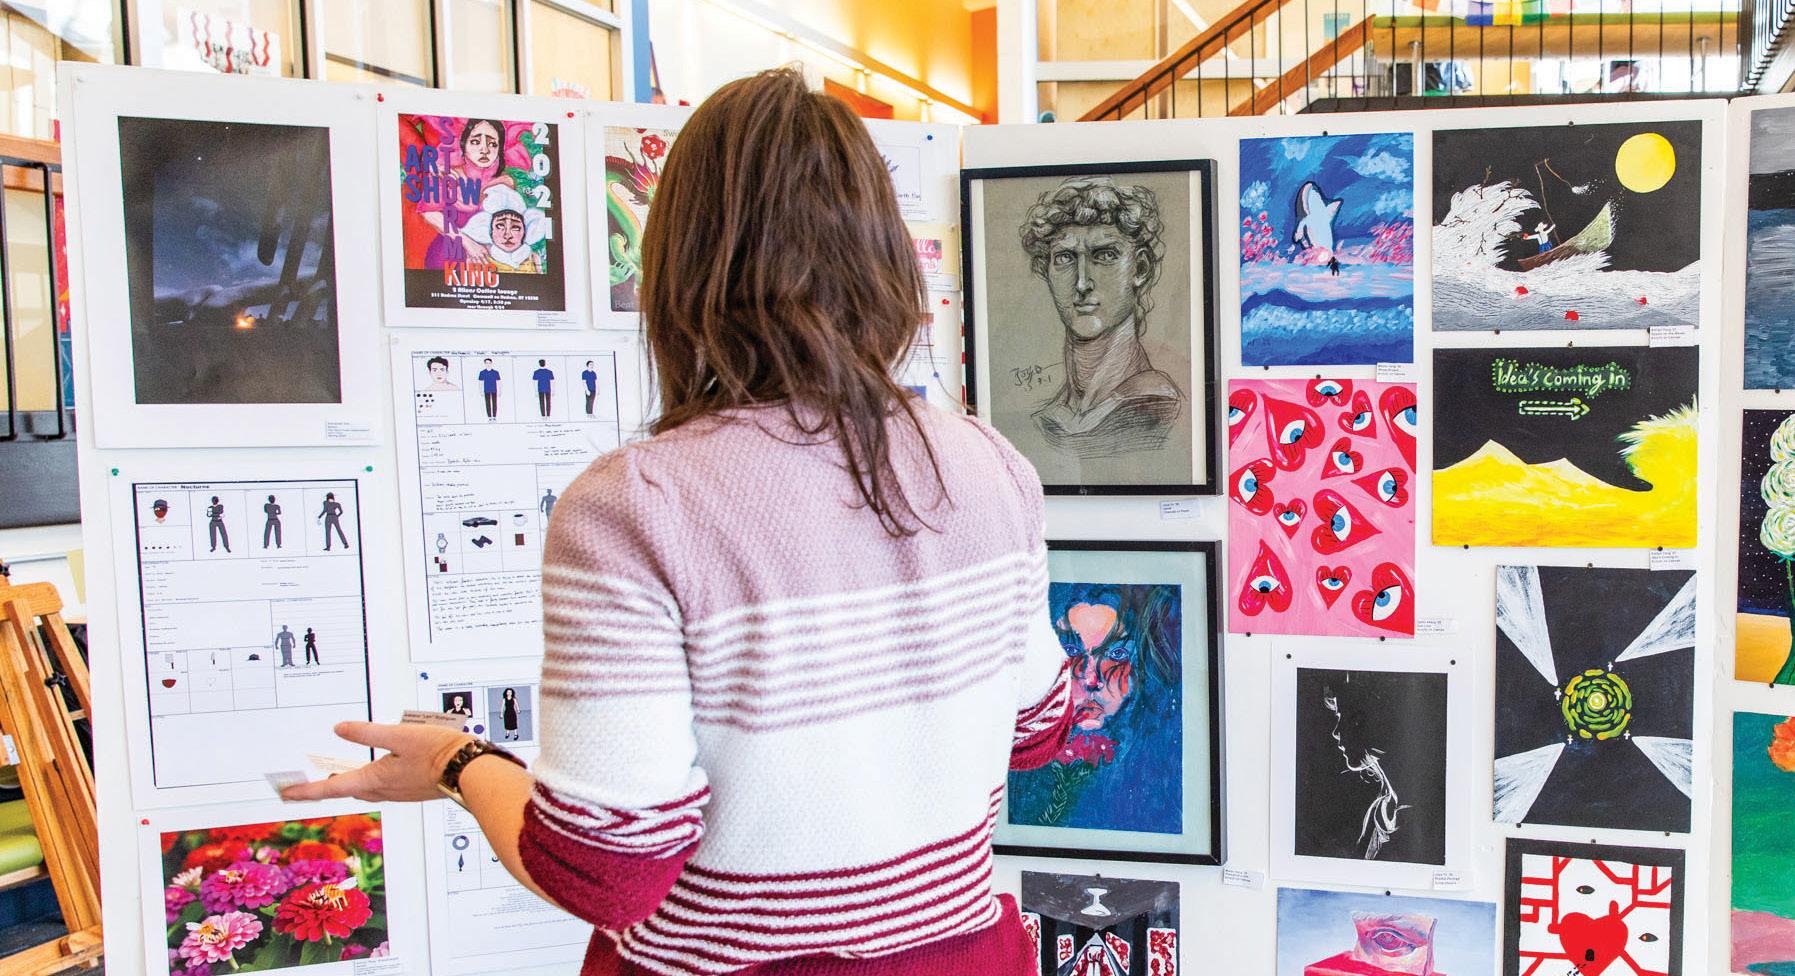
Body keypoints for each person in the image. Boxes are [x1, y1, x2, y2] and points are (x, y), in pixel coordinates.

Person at [281, 68, 1072, 976]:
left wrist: (456, 764)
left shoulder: (636, 506)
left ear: (679, 262)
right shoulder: (989, 465)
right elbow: (1040, 729)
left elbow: (605, 872)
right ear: (884, 256)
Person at [1019, 175, 1184, 457]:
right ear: (1046, 270)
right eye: (1065, 258)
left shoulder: (1155, 405)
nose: (1082, 283)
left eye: (1105, 255)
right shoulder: (1047, 420)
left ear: (1140, 268)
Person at [417, 118, 512, 269]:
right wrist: (467, 243)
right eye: (475, 142)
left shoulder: (504, 183)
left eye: (493, 144)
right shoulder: (447, 175)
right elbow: (430, 213)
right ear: (463, 145)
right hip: (447, 258)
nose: (485, 150)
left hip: (489, 261)